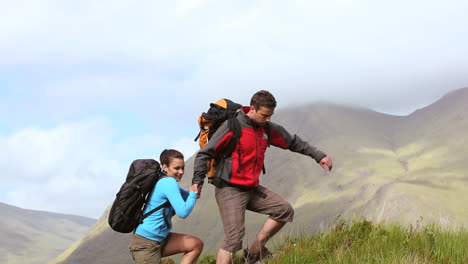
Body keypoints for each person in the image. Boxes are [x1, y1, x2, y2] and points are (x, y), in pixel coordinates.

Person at [191, 90, 332, 264]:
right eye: (265, 115)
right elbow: (205, 153)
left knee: (283, 210)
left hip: (251, 188)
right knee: (233, 239)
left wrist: (318, 156)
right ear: (252, 109)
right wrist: (197, 182)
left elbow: (293, 142)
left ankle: (253, 254)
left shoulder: (266, 128)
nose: (268, 120)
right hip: (229, 189)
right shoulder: (232, 126)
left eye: (270, 116)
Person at [129, 149, 203, 264]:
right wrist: (193, 195)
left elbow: (187, 195)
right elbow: (183, 212)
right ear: (165, 167)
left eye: (182, 167)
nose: (181, 172)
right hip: (146, 243)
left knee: (195, 244)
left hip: (160, 238)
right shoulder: (168, 182)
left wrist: (193, 193)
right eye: (177, 168)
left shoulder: (164, 181)